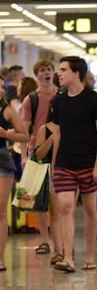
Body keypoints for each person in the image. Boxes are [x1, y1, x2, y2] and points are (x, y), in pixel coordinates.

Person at [52, 56, 97, 273]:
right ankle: (68, 257)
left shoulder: (95, 101)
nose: (60, 73)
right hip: (65, 164)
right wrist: (54, 163)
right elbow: (57, 134)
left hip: (88, 164)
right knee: (65, 207)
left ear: (76, 73)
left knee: (90, 209)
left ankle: (90, 255)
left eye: (63, 69)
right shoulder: (59, 101)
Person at [20, 60, 57, 256]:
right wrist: (24, 156)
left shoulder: (61, 95)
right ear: (37, 75)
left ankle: (60, 242)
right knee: (39, 200)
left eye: (49, 70)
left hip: (60, 151)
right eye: (42, 71)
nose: (46, 73)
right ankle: (44, 239)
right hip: (38, 152)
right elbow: (25, 129)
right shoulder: (30, 99)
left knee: (58, 199)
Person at [0, 75, 29, 272]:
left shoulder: (7, 111)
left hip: (2, 162)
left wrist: (6, 134)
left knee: (0, 212)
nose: (0, 90)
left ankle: (0, 258)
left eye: (2, 86)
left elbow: (24, 135)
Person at [33, 100, 64, 265]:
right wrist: (52, 139)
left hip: (71, 171)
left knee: (68, 211)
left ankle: (65, 247)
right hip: (52, 174)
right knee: (57, 212)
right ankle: (59, 250)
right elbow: (38, 154)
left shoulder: (73, 127)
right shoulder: (44, 129)